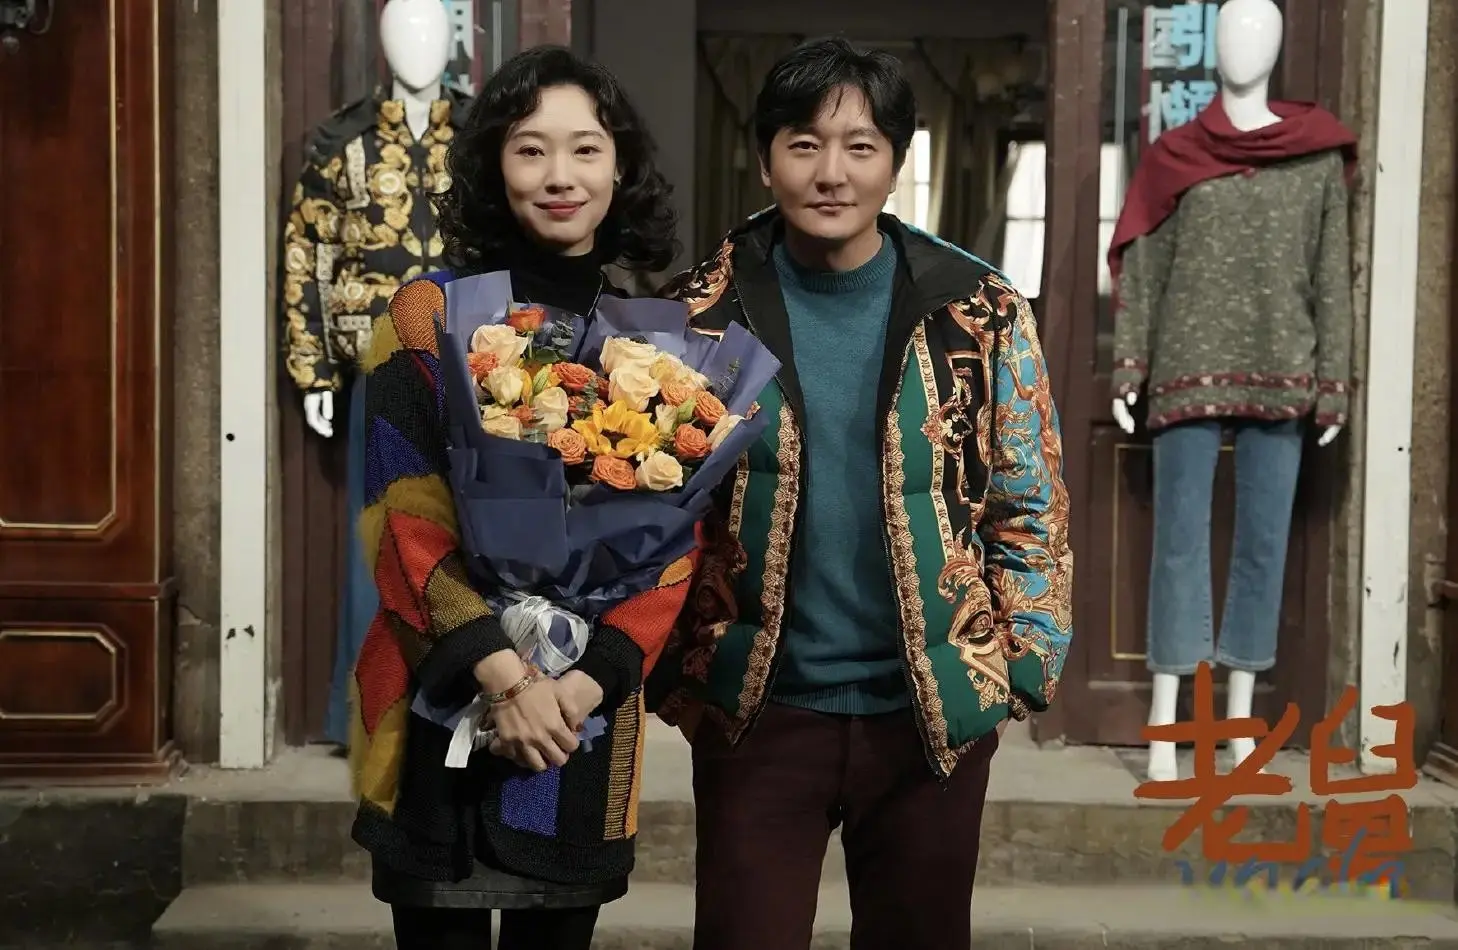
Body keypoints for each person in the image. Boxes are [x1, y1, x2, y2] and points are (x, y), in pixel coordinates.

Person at [653, 37, 1074, 950]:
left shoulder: (977, 308)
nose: (831, 173)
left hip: (929, 712)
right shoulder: (698, 313)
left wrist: (1019, 668)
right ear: (765, 158)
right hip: (758, 711)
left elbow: (1028, 502)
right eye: (804, 144)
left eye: (859, 146)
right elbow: (654, 513)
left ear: (896, 159)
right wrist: (681, 672)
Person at [349, 45, 680, 950]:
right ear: (496, 166)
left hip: (579, 726)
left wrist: (578, 686)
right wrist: (506, 680)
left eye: (585, 148)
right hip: (438, 712)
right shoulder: (423, 317)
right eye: (531, 149)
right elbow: (403, 525)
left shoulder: (655, 345)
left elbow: (673, 552)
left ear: (620, 166)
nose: (560, 175)